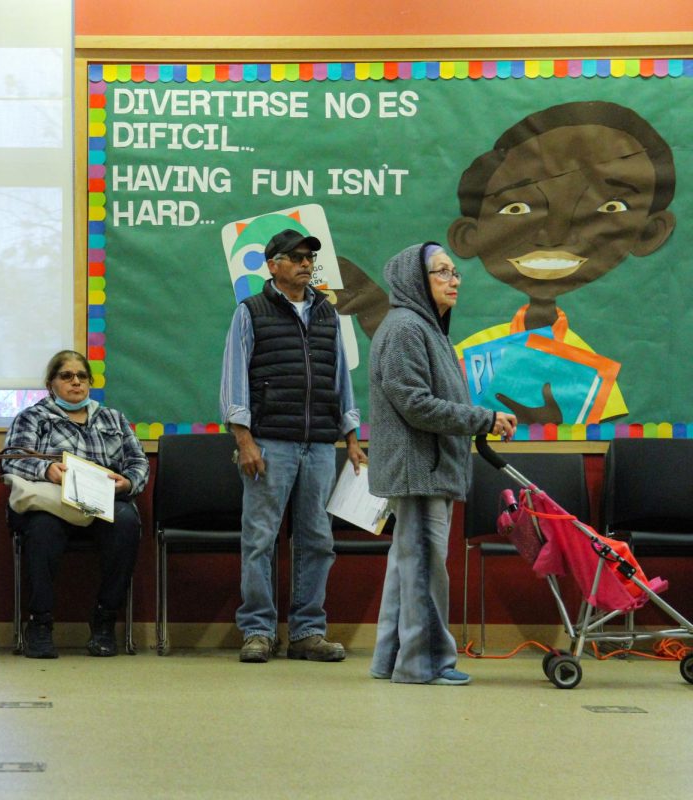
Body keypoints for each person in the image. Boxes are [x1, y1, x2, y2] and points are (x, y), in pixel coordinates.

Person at [447, 100, 676, 424]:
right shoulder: (465, 354)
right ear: (468, 236)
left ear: (649, 232)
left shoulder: (593, 368)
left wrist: (557, 432)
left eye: (609, 207)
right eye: (517, 209)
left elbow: (602, 436)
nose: (554, 235)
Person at [367, 242, 518, 685]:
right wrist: (484, 419)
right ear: (415, 280)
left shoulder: (426, 329)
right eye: (442, 272)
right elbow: (415, 404)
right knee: (423, 571)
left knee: (407, 568)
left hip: (427, 467)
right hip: (419, 470)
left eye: (455, 272)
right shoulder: (407, 329)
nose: (454, 280)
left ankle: (389, 660)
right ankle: (425, 664)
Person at [220, 227, 366, 664]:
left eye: (310, 258)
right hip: (269, 444)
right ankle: (259, 631)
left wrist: (352, 439)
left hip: (320, 444)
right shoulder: (251, 311)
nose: (306, 264)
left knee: (317, 540)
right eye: (296, 257)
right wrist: (244, 440)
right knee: (261, 539)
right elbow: (234, 380)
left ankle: (306, 632)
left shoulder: (326, 314)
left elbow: (341, 380)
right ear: (273, 265)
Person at [0, 349, 149, 659]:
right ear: (51, 383)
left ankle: (104, 620)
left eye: (82, 376)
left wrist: (129, 482)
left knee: (126, 522)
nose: (76, 382)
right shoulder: (32, 417)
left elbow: (137, 461)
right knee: (42, 530)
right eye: (66, 376)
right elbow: (12, 460)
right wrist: (46, 470)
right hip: (51, 503)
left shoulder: (112, 418)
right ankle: (39, 624)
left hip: (100, 501)